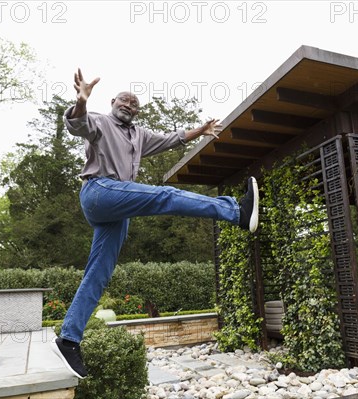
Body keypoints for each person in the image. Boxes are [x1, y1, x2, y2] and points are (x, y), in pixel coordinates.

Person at [50, 69, 259, 379]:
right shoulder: (100, 122)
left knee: (99, 273)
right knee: (165, 195)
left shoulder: (139, 136)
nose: (130, 105)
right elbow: (77, 124)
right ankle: (235, 212)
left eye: (134, 104)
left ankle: (69, 338)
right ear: (112, 102)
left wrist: (199, 131)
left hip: (116, 209)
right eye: (125, 100)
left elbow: (171, 139)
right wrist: (81, 100)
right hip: (99, 192)